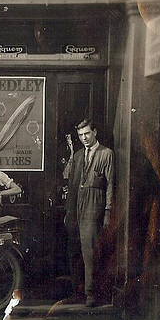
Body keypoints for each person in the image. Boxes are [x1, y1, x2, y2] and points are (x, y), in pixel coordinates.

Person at [64, 119, 114, 307]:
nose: (84, 138)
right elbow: (72, 185)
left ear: (95, 132)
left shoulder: (106, 154)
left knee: (89, 249)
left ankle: (91, 293)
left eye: (87, 133)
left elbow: (110, 185)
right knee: (75, 249)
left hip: (95, 202)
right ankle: (77, 291)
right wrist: (69, 212)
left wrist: (108, 211)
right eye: (80, 135)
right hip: (77, 203)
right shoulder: (77, 155)